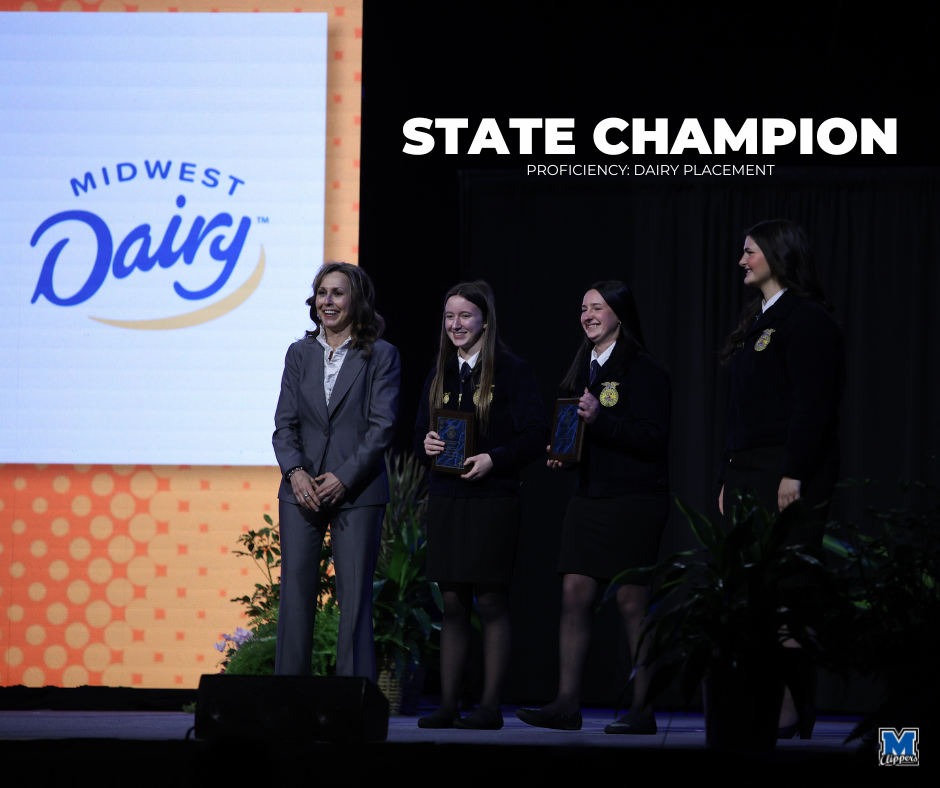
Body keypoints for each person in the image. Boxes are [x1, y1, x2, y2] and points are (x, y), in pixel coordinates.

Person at [516, 281, 670, 734]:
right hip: (591, 495)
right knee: (574, 593)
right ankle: (566, 703)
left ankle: (642, 708)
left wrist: (601, 422)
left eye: (597, 307)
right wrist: (565, 454)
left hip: (636, 497)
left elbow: (653, 438)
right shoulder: (585, 368)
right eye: (583, 308)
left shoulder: (645, 369)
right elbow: (589, 435)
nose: (587, 315)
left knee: (630, 601)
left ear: (620, 314)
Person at [717, 220, 845, 739]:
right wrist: (730, 473)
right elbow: (743, 410)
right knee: (754, 590)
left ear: (775, 254)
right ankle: (765, 698)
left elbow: (813, 406)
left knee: (789, 588)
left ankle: (795, 704)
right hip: (749, 468)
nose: (742, 261)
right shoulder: (757, 321)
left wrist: (793, 471)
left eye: (749, 252)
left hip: (788, 469)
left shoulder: (807, 319)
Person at [415, 281, 549, 730]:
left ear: (485, 321)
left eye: (465, 316)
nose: (456, 325)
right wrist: (428, 443)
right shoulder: (440, 371)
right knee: (452, 604)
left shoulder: (511, 370)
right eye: (449, 317)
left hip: (492, 499)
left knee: (490, 603)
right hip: (448, 499)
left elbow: (535, 435)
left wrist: (495, 458)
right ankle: (450, 705)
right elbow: (419, 434)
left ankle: (490, 707)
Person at [272, 262, 400, 682]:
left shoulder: (380, 354)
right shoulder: (299, 354)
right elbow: (284, 426)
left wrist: (343, 477)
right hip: (301, 490)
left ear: (356, 300)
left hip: (356, 491)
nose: (328, 301)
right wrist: (296, 473)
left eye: (337, 293)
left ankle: (351, 703)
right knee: (294, 599)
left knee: (355, 600)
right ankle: (287, 702)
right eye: (322, 293)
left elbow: (382, 428)